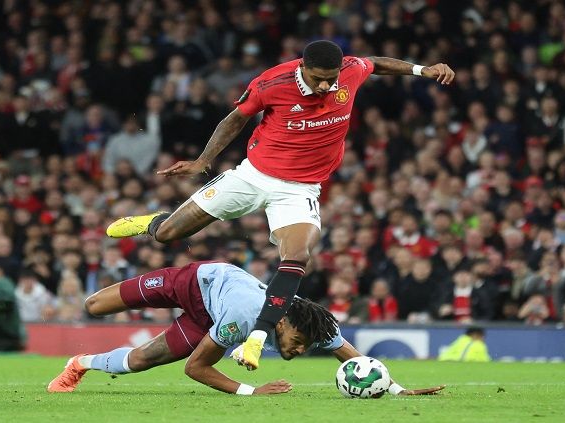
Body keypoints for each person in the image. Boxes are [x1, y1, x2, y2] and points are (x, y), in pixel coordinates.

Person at [105, 40, 455, 370]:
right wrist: (202, 161)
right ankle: (153, 222)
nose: (325, 88)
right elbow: (235, 120)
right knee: (167, 234)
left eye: (331, 80)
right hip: (253, 176)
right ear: (303, 67)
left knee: (298, 256)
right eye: (318, 80)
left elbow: (376, 63)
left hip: (300, 190)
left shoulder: (348, 70)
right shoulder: (272, 83)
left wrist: (422, 70)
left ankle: (258, 335)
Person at [47, 261, 444, 396]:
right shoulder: (242, 320)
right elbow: (195, 369)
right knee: (94, 305)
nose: (301, 349)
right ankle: (152, 225)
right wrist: (254, 392)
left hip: (209, 316)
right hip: (192, 282)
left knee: (140, 361)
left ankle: (79, 362)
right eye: (298, 343)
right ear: (282, 322)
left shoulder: (309, 322)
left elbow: (354, 357)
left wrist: (394, 388)